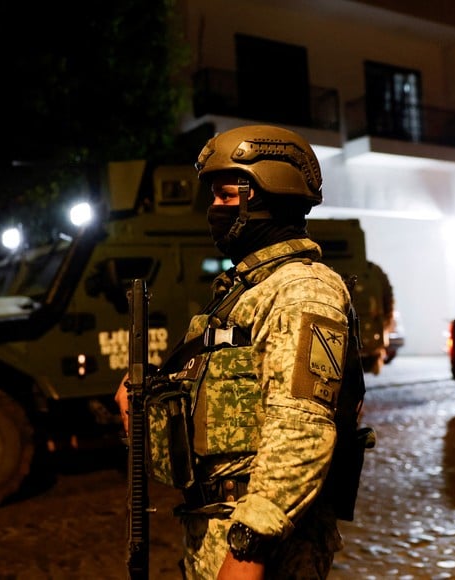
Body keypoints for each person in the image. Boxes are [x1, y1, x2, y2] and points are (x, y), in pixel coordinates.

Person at [115, 124, 353, 579]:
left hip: (264, 544)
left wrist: (248, 549)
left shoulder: (301, 290)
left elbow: (300, 429)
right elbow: (230, 389)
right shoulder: (246, 291)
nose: (214, 210)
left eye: (226, 197)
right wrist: (146, 385)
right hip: (216, 523)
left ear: (265, 195)